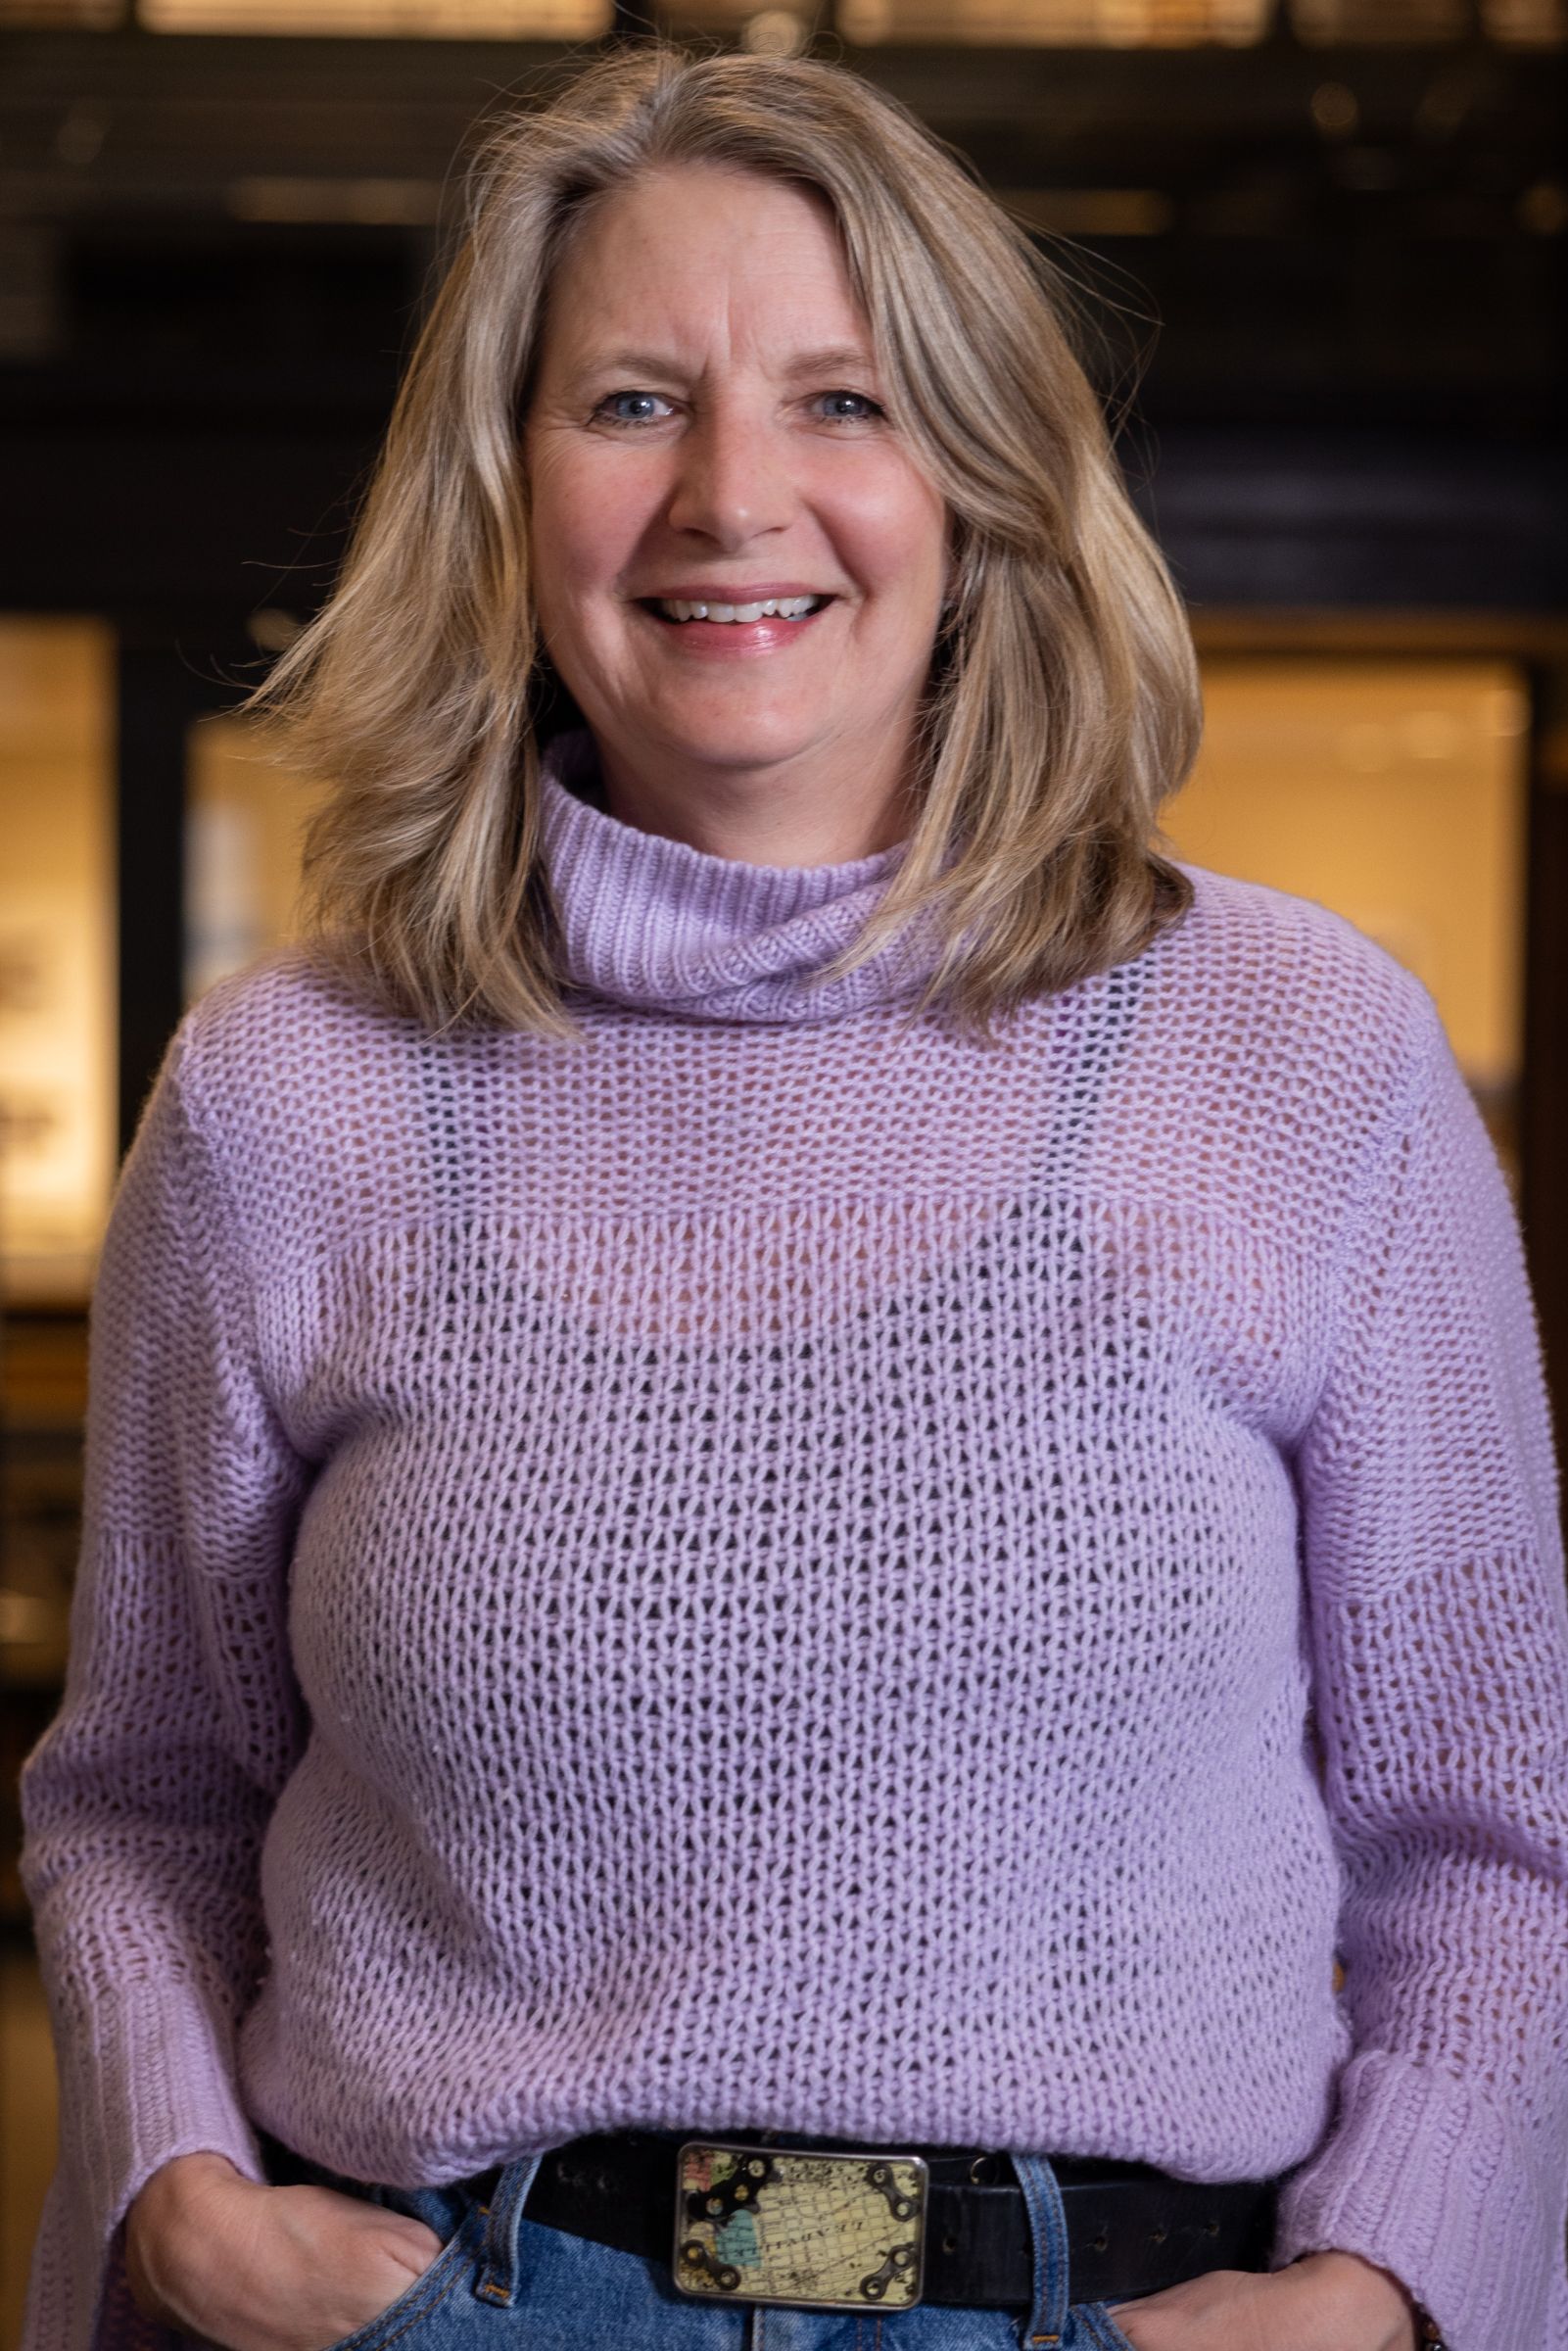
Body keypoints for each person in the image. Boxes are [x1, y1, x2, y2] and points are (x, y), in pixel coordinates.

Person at [17, 36, 1567, 2351]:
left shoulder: (1306, 1055)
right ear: (504, 486)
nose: (733, 496)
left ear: (981, 481)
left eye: (844, 401)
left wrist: (1371, 2292)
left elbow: (1495, 1836)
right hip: (458, 2305)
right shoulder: (284, 1094)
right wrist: (184, 2202)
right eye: (631, 401)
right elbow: (142, 1796)